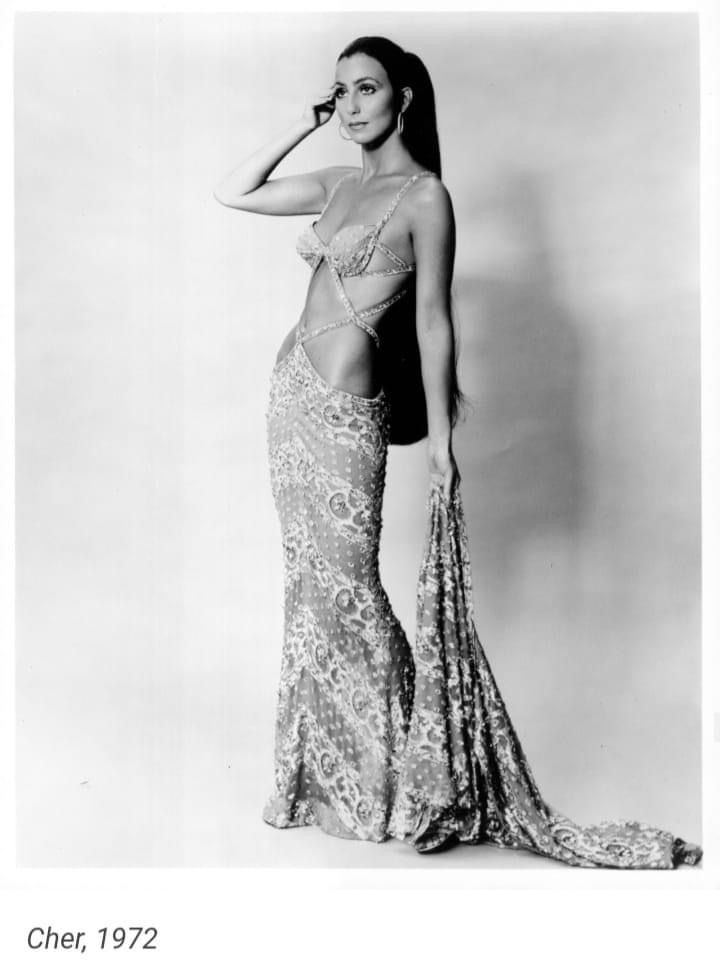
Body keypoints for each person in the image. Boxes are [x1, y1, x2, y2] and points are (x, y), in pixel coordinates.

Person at [214, 36, 702, 868]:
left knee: (350, 586)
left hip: (346, 408)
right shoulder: (335, 184)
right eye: (341, 91)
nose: (351, 105)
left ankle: (395, 777)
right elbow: (233, 190)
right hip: (290, 393)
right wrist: (304, 120)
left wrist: (443, 439)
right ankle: (322, 775)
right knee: (309, 584)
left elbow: (435, 320)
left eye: (367, 89)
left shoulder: (425, 197)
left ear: (404, 97)